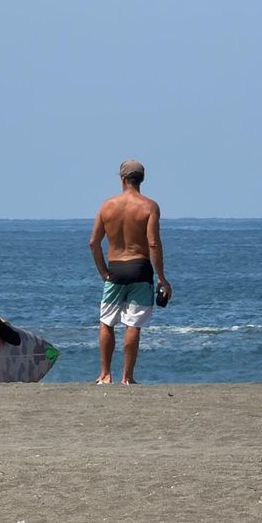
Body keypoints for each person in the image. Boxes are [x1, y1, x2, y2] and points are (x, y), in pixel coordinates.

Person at [89, 159, 172, 385]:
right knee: (132, 324)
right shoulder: (149, 206)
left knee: (107, 322)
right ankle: (128, 377)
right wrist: (162, 279)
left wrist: (103, 271)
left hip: (115, 269)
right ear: (141, 180)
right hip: (140, 269)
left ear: (122, 178)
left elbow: (93, 243)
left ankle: (105, 375)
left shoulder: (107, 206)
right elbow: (153, 243)